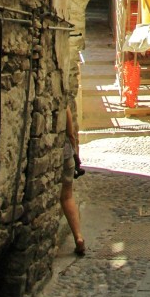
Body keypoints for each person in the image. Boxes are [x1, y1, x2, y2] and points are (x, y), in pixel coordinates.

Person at [60, 105, 85, 256]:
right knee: (67, 197)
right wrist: (75, 154)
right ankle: (78, 237)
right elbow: (71, 133)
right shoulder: (65, 106)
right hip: (66, 155)